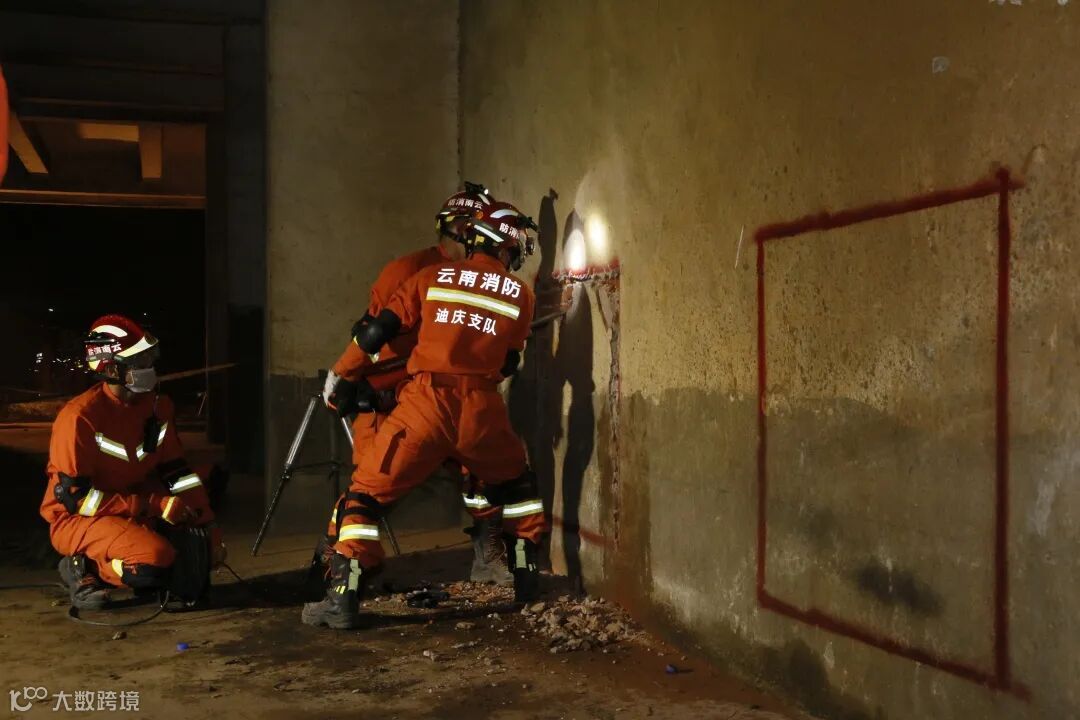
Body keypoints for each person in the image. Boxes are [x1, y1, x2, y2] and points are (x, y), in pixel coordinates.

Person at [303, 200, 548, 629]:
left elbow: (376, 331)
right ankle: (528, 581)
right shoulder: (521, 295)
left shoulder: (431, 276)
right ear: (505, 247)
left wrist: (342, 374)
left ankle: (343, 598)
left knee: (365, 496)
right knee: (518, 487)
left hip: (424, 405)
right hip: (482, 409)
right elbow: (509, 362)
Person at [39, 315, 225, 609]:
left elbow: (177, 473)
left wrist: (207, 524)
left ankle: (126, 560)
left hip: (135, 508)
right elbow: (77, 499)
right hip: (79, 518)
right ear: (111, 368)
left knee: (195, 558)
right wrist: (154, 505)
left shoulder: (158, 407)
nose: (149, 368)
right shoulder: (80, 418)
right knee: (155, 561)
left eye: (149, 359)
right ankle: (86, 566)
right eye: (139, 361)